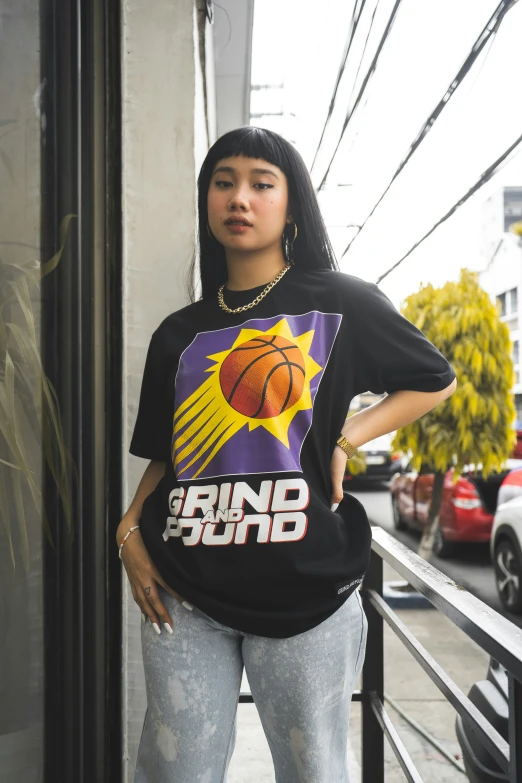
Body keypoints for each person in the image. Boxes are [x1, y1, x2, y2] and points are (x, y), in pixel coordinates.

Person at [117, 126, 457, 783]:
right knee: (170, 772)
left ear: (292, 206)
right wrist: (129, 527)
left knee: (314, 772)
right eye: (223, 182)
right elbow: (167, 454)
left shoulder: (339, 301)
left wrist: (344, 435)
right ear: (207, 200)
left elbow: (432, 379)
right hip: (185, 589)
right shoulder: (179, 333)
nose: (238, 197)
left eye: (260, 183)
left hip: (306, 594)